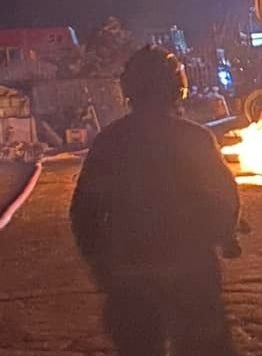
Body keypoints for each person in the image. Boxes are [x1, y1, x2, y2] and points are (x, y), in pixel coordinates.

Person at [70, 46, 240, 356]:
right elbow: (224, 196)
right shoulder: (194, 138)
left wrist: (101, 265)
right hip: (190, 271)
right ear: (177, 88)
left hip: (130, 274)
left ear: (129, 90)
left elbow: (84, 212)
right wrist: (226, 238)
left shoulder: (110, 141)